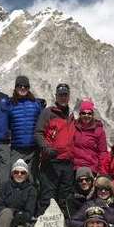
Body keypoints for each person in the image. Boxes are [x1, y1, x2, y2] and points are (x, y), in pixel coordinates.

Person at [34, 83, 76, 217]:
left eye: (65, 95)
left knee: (65, 197)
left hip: (68, 162)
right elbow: (38, 133)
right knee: (48, 196)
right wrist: (46, 148)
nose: (63, 98)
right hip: (51, 161)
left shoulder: (71, 115)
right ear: (56, 96)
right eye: (60, 95)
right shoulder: (48, 112)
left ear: (68, 97)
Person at [8, 75, 45, 181]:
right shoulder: (9, 104)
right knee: (15, 176)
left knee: (32, 178)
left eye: (25, 86)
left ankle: (33, 197)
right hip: (17, 148)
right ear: (15, 87)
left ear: (28, 88)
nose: (23, 88)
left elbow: (42, 124)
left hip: (33, 148)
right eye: (20, 86)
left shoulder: (36, 104)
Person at [73, 99, 109, 175]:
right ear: (80, 114)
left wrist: (102, 171)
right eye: (84, 113)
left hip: (91, 168)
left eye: (89, 113)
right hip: (74, 168)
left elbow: (103, 153)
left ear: (92, 115)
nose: (86, 116)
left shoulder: (99, 131)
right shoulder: (74, 127)